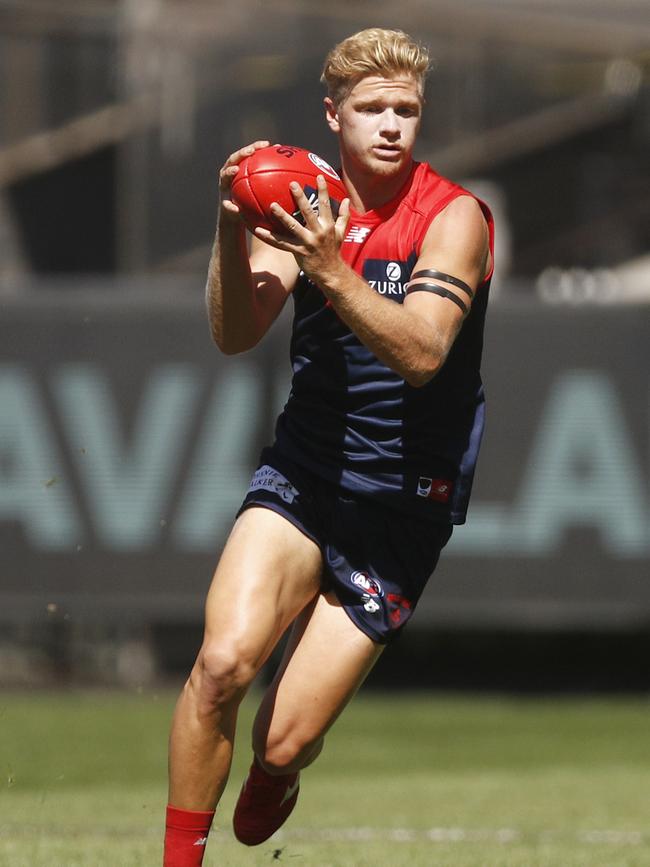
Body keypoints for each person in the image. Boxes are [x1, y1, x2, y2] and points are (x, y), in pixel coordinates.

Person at [163, 27, 494, 867]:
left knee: (283, 743)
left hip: (400, 501)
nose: (391, 125)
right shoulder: (303, 199)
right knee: (221, 665)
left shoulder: (454, 217)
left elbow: (423, 354)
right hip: (304, 473)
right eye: (373, 109)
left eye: (407, 110)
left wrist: (332, 268)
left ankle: (279, 770)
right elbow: (236, 333)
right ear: (333, 114)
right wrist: (232, 227)